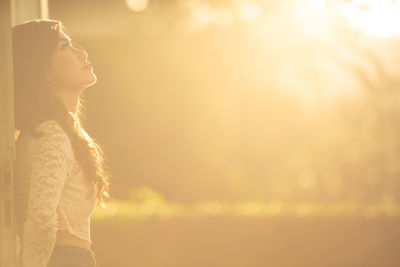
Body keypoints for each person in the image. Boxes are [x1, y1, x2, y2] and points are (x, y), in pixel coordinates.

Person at [12, 18, 111, 267]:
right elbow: (42, 216)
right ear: (43, 70)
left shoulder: (59, 130)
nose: (81, 52)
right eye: (65, 47)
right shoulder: (51, 134)